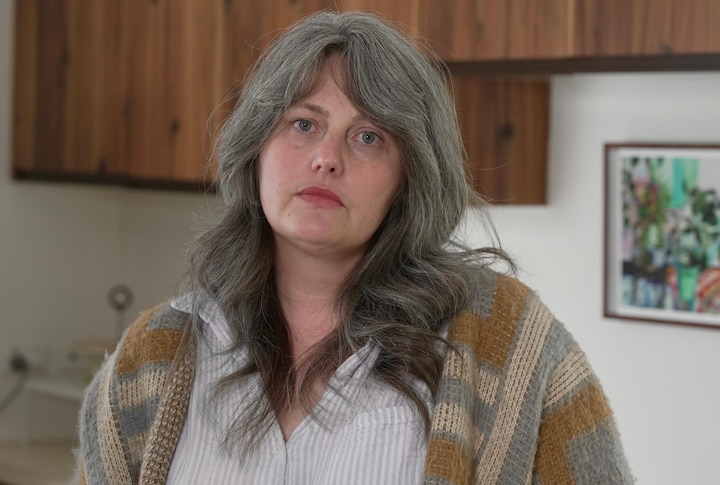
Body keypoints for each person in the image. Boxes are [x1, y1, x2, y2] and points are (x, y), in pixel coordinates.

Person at [76, 10, 633, 485]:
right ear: (256, 150)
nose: (327, 157)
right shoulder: (153, 357)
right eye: (302, 124)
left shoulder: (506, 343)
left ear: (408, 178)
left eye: (369, 137)